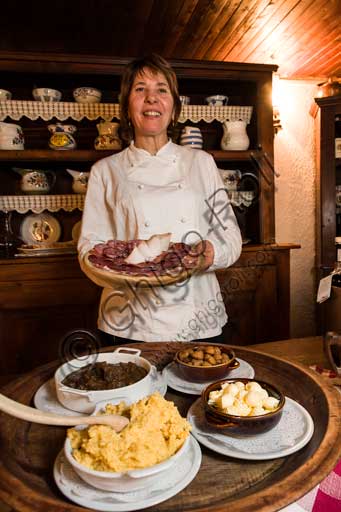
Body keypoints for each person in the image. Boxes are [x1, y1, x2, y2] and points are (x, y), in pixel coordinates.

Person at [78, 54, 242, 345]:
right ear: (127, 106)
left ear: (174, 107)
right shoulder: (105, 171)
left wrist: (210, 253)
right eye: (140, 89)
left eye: (161, 90)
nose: (151, 98)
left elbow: (231, 237)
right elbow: (89, 247)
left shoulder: (201, 163)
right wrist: (119, 271)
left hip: (197, 315)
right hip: (128, 323)